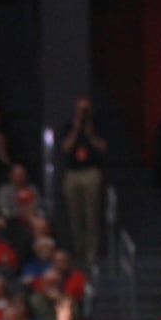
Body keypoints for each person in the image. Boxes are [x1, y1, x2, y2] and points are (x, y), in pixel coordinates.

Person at [60, 96, 107, 268]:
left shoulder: (96, 126)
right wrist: (76, 127)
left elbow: (103, 148)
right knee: (75, 214)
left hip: (91, 172)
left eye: (86, 110)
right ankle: (78, 251)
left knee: (91, 214)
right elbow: (65, 148)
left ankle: (91, 253)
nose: (83, 113)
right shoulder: (69, 126)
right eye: (81, 109)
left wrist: (90, 134)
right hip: (73, 172)